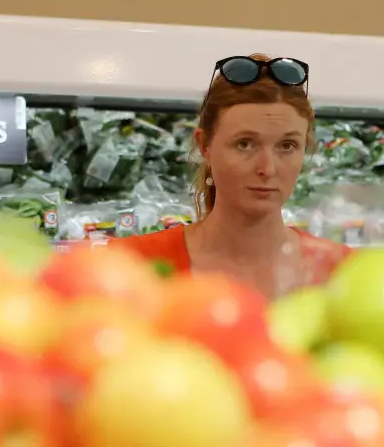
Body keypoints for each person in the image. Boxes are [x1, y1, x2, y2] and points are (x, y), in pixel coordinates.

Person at [111, 54, 351, 298]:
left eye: (287, 145)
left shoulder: (344, 272)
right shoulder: (132, 267)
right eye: (244, 144)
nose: (267, 168)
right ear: (205, 145)